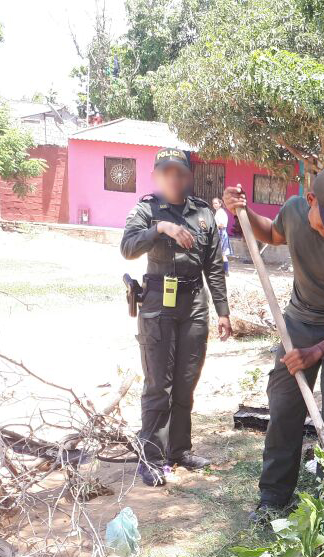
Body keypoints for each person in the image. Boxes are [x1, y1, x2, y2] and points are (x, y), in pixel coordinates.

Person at [222, 165, 324, 515]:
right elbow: (273, 235)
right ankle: (273, 498)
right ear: (310, 201)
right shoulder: (293, 211)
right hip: (298, 324)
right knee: (284, 410)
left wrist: (318, 350)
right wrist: (244, 212)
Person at [121, 148, 231, 487]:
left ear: (188, 176)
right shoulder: (146, 210)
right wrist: (162, 228)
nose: (174, 178)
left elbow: (214, 266)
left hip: (194, 302)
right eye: (166, 172)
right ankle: (151, 458)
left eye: (180, 172)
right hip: (157, 304)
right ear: (156, 176)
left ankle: (179, 449)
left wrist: (223, 311)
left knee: (186, 380)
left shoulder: (202, 214)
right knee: (158, 384)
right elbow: (128, 248)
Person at [211, 197, 232, 274]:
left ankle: (224, 270)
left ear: (220, 204)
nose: (214, 205)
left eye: (216, 203)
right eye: (213, 203)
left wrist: (214, 227)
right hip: (220, 233)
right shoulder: (218, 212)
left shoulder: (221, 213)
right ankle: (224, 270)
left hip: (221, 233)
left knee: (221, 253)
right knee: (221, 253)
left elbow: (222, 225)